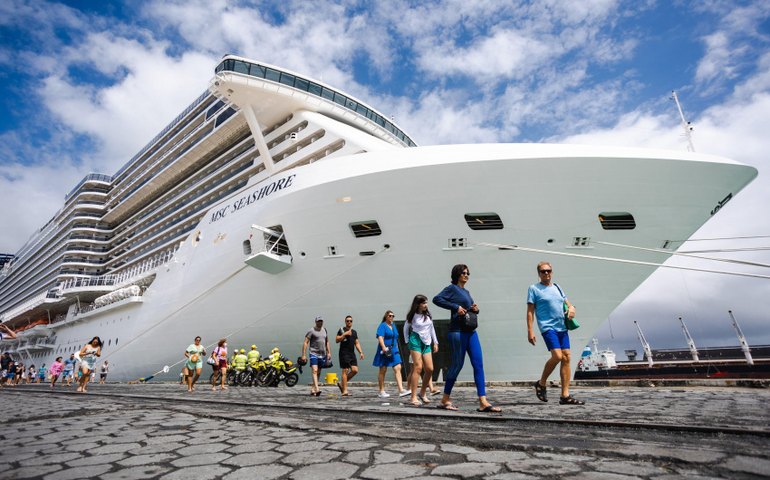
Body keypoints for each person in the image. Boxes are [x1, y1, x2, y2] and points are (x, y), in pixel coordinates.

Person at [433, 264, 501, 412]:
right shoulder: (451, 289)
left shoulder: (467, 292)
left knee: (478, 364)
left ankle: (483, 401)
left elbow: (468, 309)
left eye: (468, 273)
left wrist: (475, 309)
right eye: (464, 273)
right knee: (457, 365)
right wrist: (455, 307)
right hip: (457, 332)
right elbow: (436, 299)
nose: (466, 275)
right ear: (457, 274)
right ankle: (445, 399)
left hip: (471, 332)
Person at [527, 261, 584, 405]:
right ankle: (541, 383)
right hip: (548, 327)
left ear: (551, 272)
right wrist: (530, 330)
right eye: (543, 271)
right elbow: (530, 311)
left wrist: (572, 309)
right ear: (539, 273)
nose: (546, 273)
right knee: (557, 356)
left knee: (567, 357)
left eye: (548, 270)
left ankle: (565, 395)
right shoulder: (534, 289)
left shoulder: (558, 287)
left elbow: (568, 304)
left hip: (561, 327)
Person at [404, 295, 439, 407]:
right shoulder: (412, 316)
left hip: (427, 342)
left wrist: (435, 342)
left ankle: (422, 393)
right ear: (418, 304)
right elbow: (405, 328)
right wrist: (407, 341)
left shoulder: (427, 315)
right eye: (423, 303)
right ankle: (413, 397)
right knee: (418, 367)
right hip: (415, 340)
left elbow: (431, 328)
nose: (426, 305)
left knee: (429, 369)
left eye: (426, 303)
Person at [372, 310, 409, 399]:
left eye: (393, 316)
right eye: (390, 316)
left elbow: (395, 337)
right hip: (385, 350)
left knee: (398, 367)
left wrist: (396, 347)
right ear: (386, 316)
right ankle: (381, 391)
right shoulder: (382, 326)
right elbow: (380, 337)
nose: (391, 317)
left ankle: (401, 390)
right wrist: (383, 347)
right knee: (383, 369)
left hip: (393, 350)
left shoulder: (393, 326)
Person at [301, 316, 331, 397]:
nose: (320, 322)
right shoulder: (311, 331)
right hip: (313, 353)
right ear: (316, 322)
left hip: (322, 354)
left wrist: (329, 352)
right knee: (314, 370)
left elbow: (327, 342)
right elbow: (305, 342)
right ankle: (317, 389)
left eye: (321, 321)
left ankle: (313, 389)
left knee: (318, 372)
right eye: (318, 321)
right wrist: (303, 355)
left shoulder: (324, 330)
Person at [335, 315, 364, 396]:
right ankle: (345, 391)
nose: (349, 322)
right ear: (345, 322)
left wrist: (361, 352)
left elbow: (356, 343)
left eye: (350, 321)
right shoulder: (342, 330)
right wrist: (344, 334)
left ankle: (342, 384)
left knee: (355, 370)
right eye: (347, 321)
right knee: (345, 370)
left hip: (352, 353)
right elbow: (337, 340)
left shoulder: (354, 332)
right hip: (344, 353)